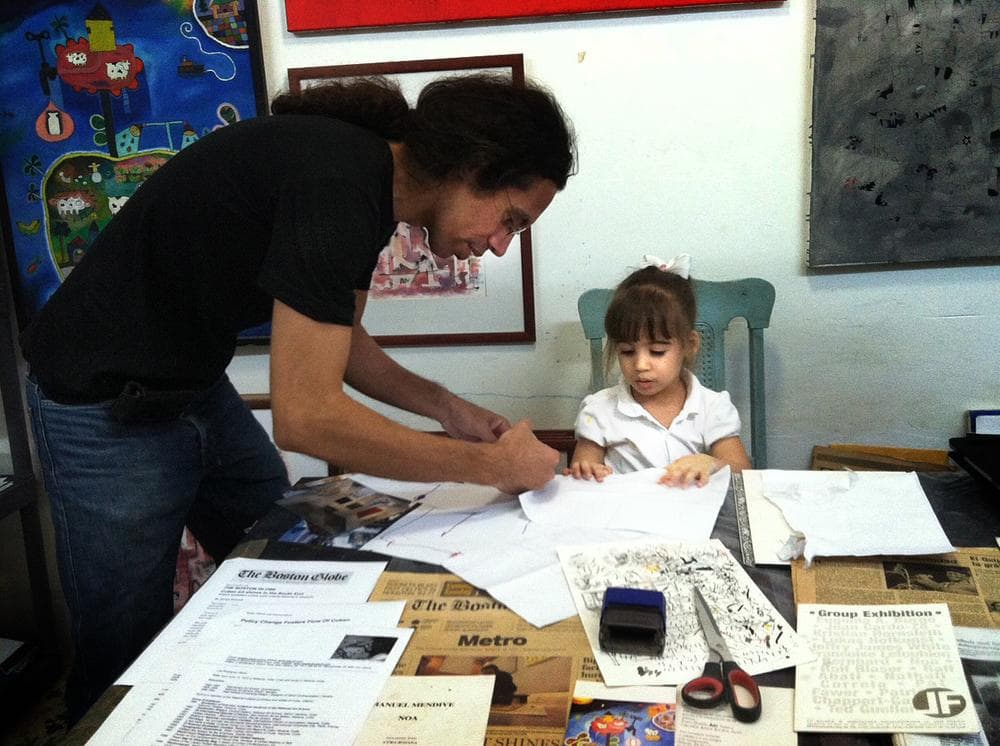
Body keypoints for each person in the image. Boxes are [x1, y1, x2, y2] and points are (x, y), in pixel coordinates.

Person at [20, 73, 574, 723]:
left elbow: (341, 343)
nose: (501, 245)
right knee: (124, 656)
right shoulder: (339, 181)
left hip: (193, 385)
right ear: (475, 167)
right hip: (105, 404)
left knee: (288, 559)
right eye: (510, 219)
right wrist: (490, 467)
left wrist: (445, 408)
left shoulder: (369, 183)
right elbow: (307, 418)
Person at [565, 255, 751, 487]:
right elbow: (583, 472)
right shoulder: (600, 409)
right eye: (627, 351)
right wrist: (586, 471)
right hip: (627, 516)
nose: (641, 365)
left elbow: (742, 470)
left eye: (657, 351)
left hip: (692, 516)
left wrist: (710, 463)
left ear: (689, 345)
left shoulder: (711, 407)